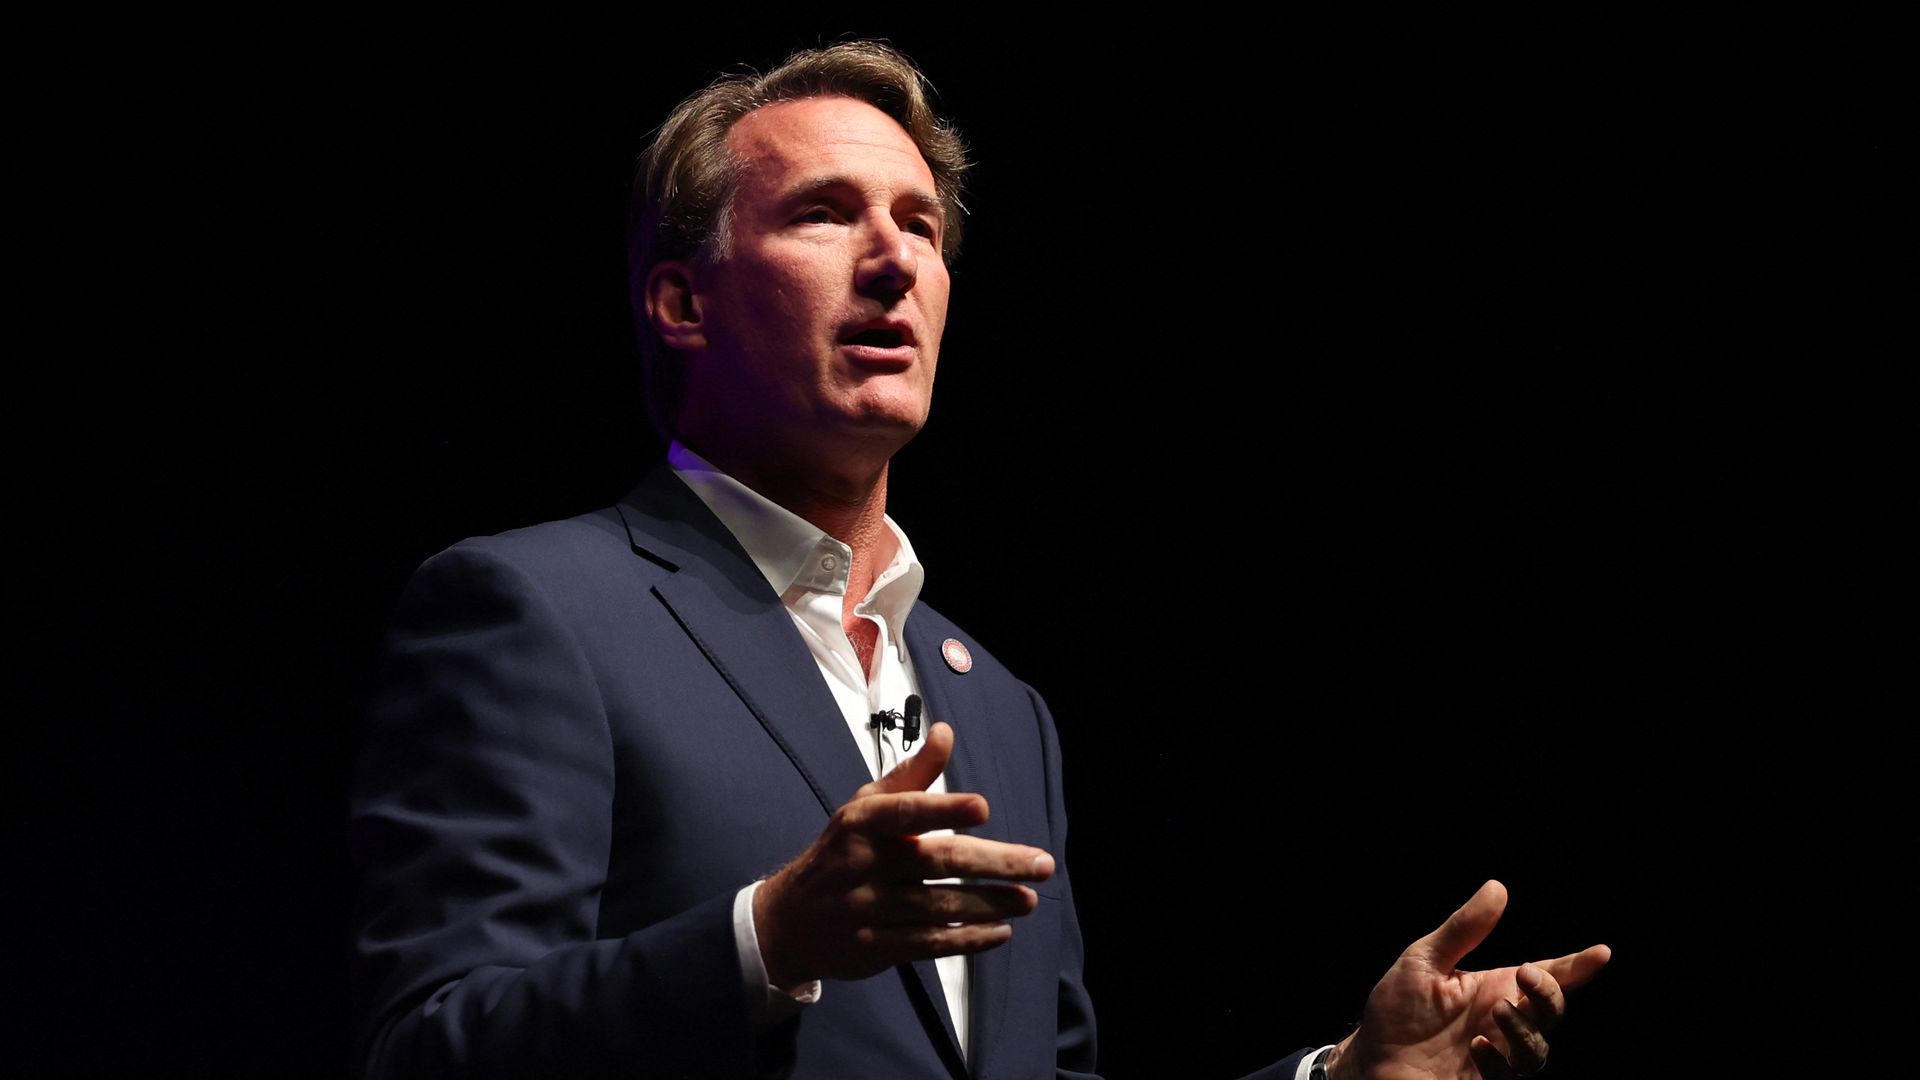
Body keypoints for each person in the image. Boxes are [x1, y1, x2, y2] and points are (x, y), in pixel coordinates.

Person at [349, 41, 1609, 1079]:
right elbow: (424, 1050)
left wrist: (1342, 1076)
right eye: (826, 214)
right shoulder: (537, 609)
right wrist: (764, 939)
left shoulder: (1000, 710)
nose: (897, 258)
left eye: (921, 224)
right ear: (684, 302)